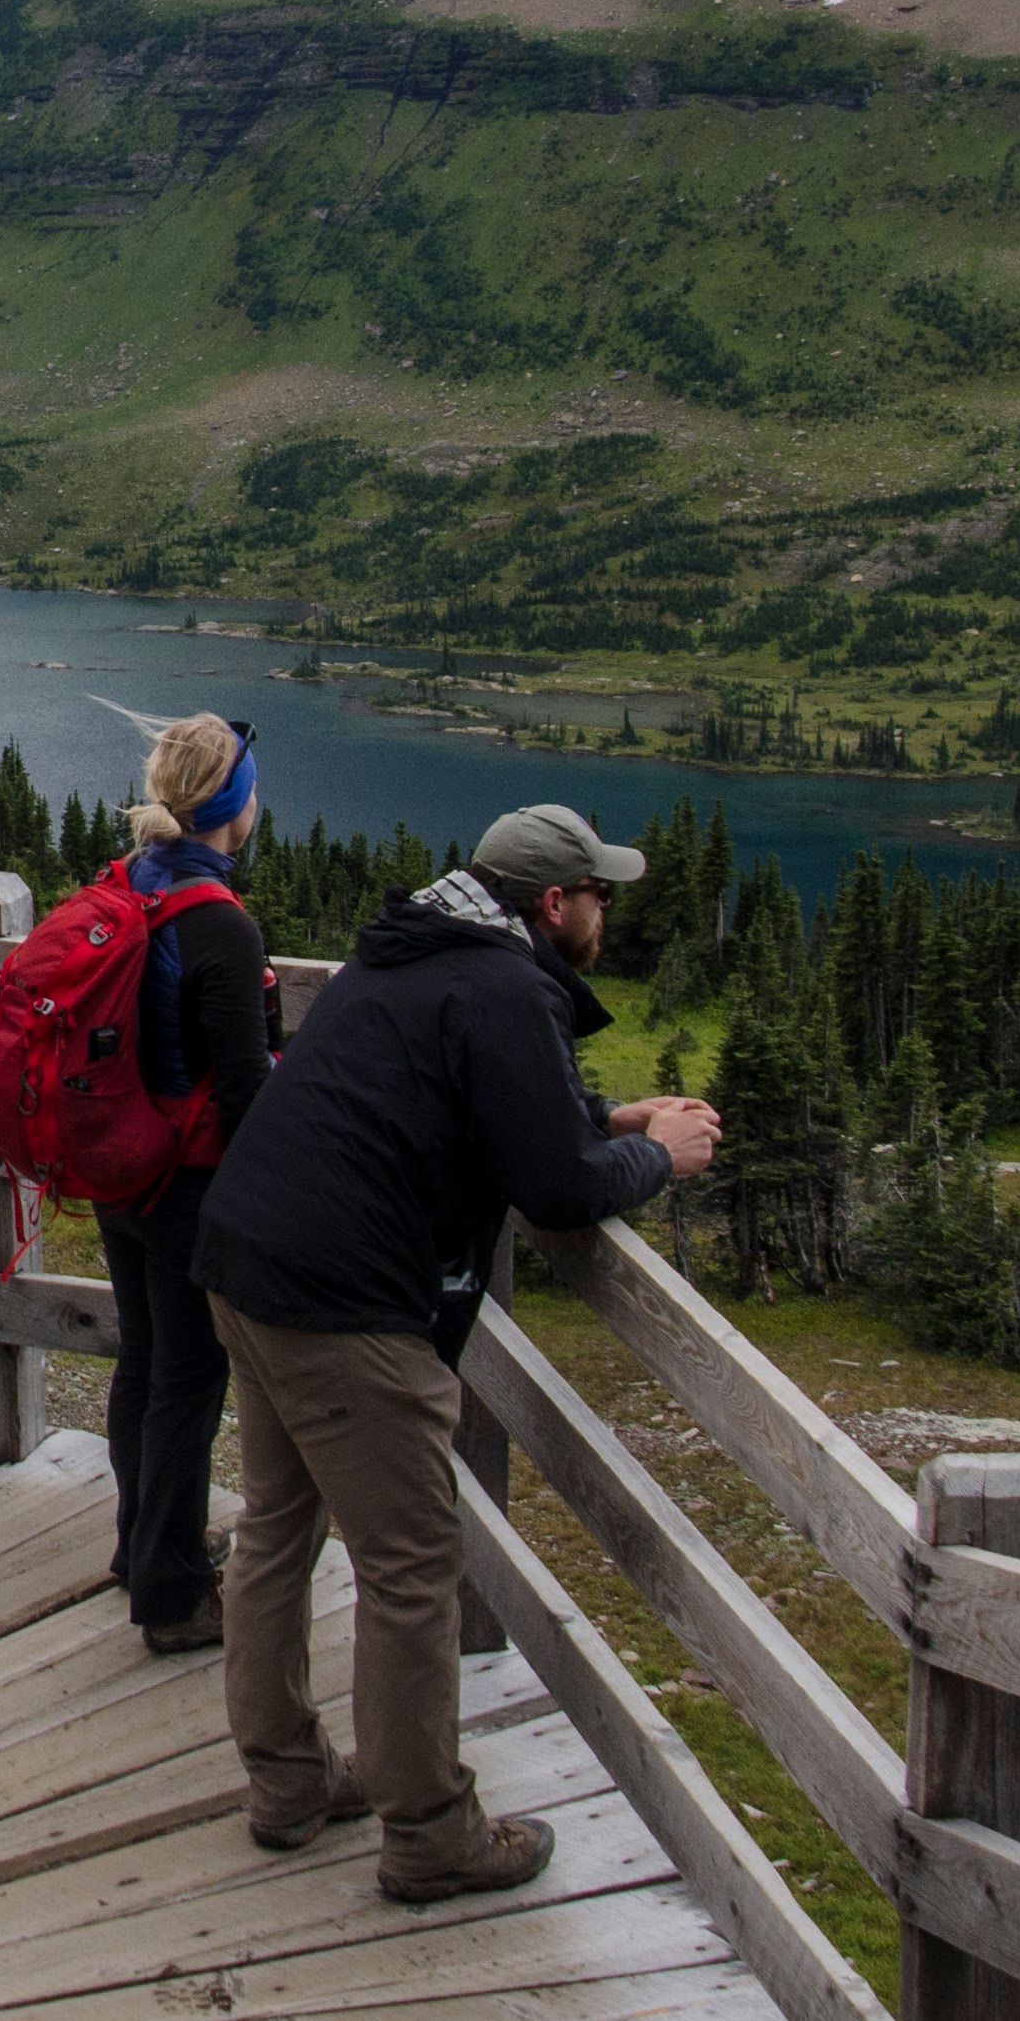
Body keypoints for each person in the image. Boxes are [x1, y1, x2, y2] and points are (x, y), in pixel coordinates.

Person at [192, 802, 723, 1907]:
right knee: (409, 1571)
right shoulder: (503, 985)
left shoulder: (413, 951)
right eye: (599, 894)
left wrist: (612, 1119)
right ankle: (429, 1832)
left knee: (276, 1534)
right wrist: (658, 1158)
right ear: (552, 903)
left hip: (246, 1263)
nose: (607, 910)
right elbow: (559, 1189)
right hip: (345, 1310)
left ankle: (288, 1785)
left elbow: (507, 1114)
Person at [93, 713, 278, 1655]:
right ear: (237, 806)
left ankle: (141, 1546)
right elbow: (246, 1091)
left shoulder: (130, 882)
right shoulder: (220, 925)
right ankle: (170, 1596)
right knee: (189, 1381)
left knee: (144, 1362)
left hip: (118, 1171)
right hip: (186, 1185)